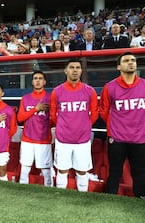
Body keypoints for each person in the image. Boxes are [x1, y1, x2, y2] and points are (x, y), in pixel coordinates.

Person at [100, 52, 145, 198]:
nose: (130, 63)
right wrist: (117, 126)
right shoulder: (109, 87)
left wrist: (137, 124)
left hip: (139, 137)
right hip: (117, 138)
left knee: (139, 172)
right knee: (115, 171)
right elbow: (104, 112)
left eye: (133, 60)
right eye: (126, 61)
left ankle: (141, 199)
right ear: (119, 66)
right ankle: (110, 200)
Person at [50, 59, 98, 192]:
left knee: (82, 171)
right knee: (62, 170)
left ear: (81, 71)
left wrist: (84, 127)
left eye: (78, 67)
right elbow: (53, 114)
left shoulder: (90, 91)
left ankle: (82, 197)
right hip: (63, 138)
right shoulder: (57, 91)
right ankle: (60, 196)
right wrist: (62, 127)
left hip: (82, 139)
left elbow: (94, 114)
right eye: (72, 67)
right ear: (66, 70)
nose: (75, 70)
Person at [17, 71, 53, 186]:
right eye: (35, 78)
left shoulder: (50, 98)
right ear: (32, 82)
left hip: (43, 139)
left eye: (40, 78)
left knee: (46, 171)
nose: (38, 81)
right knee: (25, 169)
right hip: (27, 139)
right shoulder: (25, 98)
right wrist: (35, 109)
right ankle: (23, 193)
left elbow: (55, 120)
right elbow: (20, 118)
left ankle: (49, 194)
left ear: (44, 81)